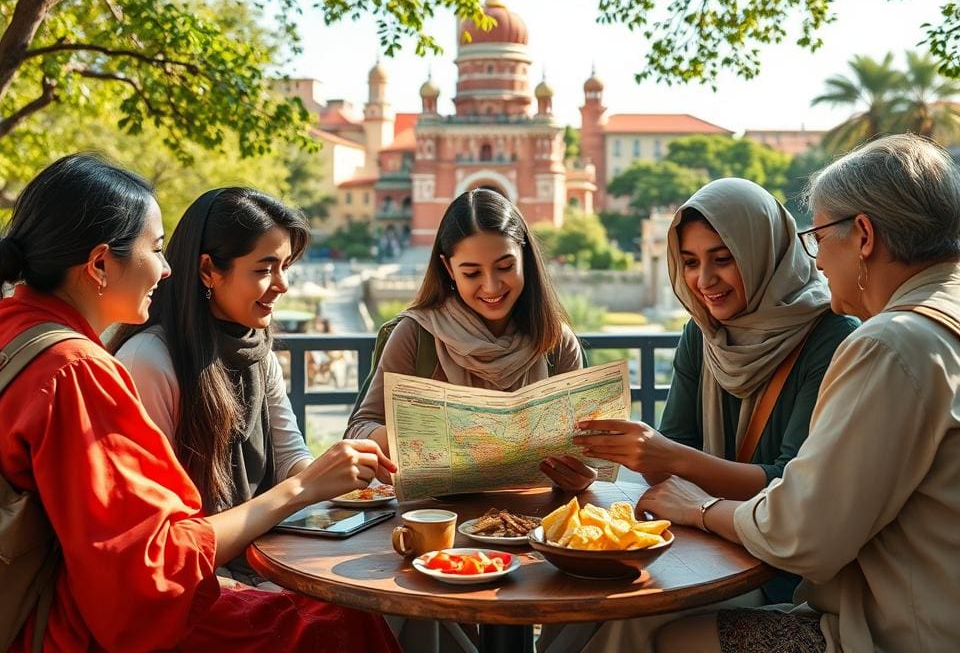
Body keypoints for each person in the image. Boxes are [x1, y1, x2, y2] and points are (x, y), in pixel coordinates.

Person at [0, 155, 399, 652]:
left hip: (49, 606)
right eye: (156, 249)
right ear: (100, 264)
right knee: (345, 625)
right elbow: (154, 565)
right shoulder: (78, 371)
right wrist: (299, 489)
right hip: (72, 627)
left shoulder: (19, 335)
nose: (168, 269)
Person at [645, 136, 960, 653]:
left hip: (897, 629)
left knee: (663, 636)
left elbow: (801, 534)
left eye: (817, 238)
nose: (817, 261)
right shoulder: (939, 316)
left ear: (863, 236)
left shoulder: (889, 343)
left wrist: (701, 508)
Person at [545, 178, 857, 653]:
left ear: (763, 252)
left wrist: (669, 457)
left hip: (779, 568)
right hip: (705, 546)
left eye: (723, 259)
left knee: (630, 620)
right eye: (690, 262)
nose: (704, 281)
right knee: (575, 597)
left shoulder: (831, 337)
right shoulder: (704, 332)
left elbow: (789, 488)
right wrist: (611, 459)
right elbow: (672, 459)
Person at [109, 188, 316, 586]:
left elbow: (291, 456)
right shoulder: (149, 361)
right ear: (208, 270)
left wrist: (339, 478)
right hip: (195, 577)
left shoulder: (257, 350)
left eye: (286, 266)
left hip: (264, 559)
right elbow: (151, 531)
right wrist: (306, 486)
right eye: (264, 270)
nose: (283, 284)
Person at [345, 187, 595, 492]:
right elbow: (359, 429)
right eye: (472, 273)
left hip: (536, 515)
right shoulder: (416, 334)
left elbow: (580, 447)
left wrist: (581, 475)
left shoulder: (557, 341)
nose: (491, 286)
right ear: (448, 268)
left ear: (525, 258)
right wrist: (417, 439)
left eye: (505, 267)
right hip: (435, 515)